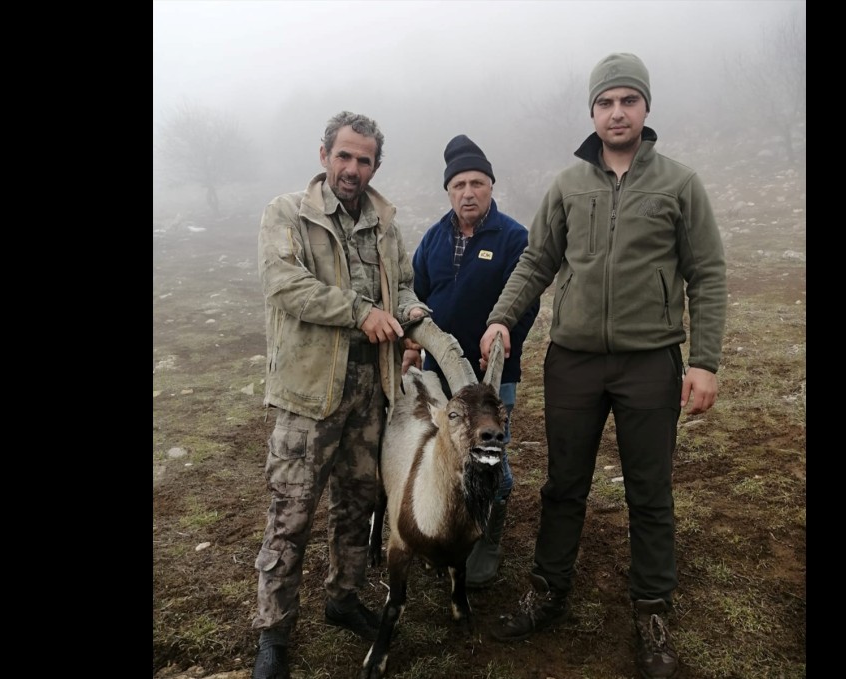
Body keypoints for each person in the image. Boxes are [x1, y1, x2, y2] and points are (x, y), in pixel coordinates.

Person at [479, 53, 727, 679]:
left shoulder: (679, 184)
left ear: (645, 108)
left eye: (628, 101)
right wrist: (503, 317)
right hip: (574, 362)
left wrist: (704, 361)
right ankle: (548, 591)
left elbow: (708, 275)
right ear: (592, 112)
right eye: (606, 102)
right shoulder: (569, 186)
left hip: (650, 362)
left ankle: (652, 610)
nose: (617, 112)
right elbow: (537, 261)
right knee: (564, 485)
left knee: (650, 490)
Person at [250, 111, 429, 679]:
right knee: (291, 514)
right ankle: (274, 632)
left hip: (369, 393)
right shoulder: (288, 214)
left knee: (358, 506)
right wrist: (361, 312)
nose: (353, 168)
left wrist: (411, 313)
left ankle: (344, 598)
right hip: (308, 396)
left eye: (365, 159)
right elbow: (286, 287)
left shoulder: (384, 222)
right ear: (324, 154)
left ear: (376, 164)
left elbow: (400, 283)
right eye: (344, 156)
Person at [408, 134, 539, 588]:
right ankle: (445, 528)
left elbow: (526, 302)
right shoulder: (432, 239)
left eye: (477, 183)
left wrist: (503, 340)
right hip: (438, 379)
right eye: (459, 184)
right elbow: (417, 294)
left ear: (491, 186)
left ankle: (487, 539)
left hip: (493, 379)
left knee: (490, 463)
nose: (468, 192)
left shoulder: (513, 238)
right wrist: (412, 339)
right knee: (441, 457)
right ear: (448, 191)